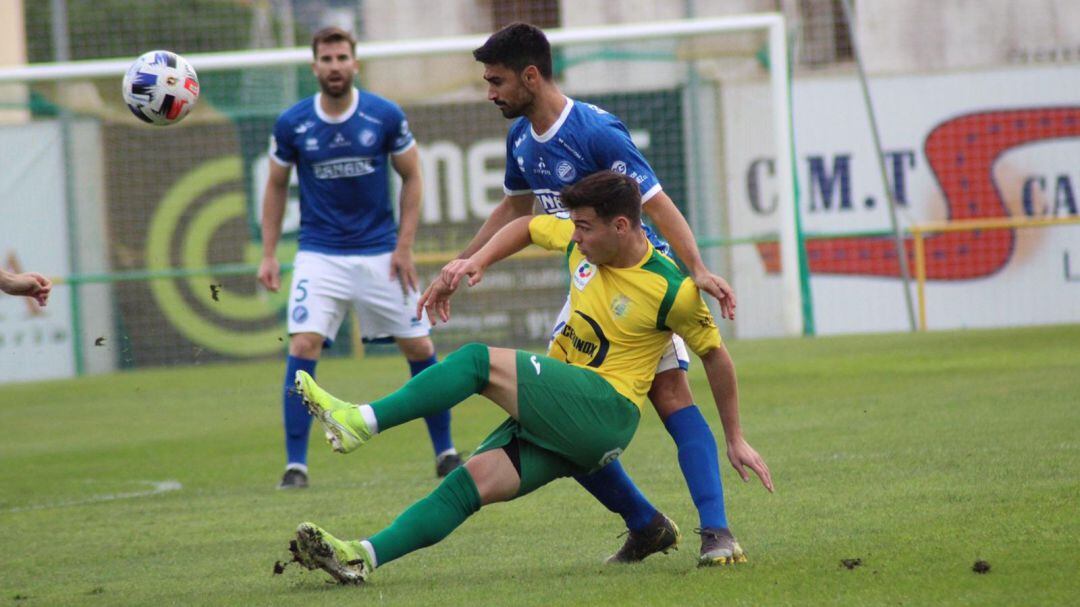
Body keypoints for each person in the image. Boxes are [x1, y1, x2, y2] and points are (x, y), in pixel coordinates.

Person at [287, 171, 771, 585]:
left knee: (477, 361)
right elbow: (525, 225)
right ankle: (361, 558)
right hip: (578, 428)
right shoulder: (580, 240)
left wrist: (736, 437)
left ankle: (361, 421)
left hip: (606, 409)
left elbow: (716, 357)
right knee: (467, 484)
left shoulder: (672, 289)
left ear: (622, 225)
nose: (575, 236)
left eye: (585, 227)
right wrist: (475, 261)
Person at [419, 22, 744, 566]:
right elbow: (515, 211)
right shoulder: (521, 136)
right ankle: (646, 524)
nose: (490, 92)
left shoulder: (596, 131)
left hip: (640, 282)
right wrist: (465, 261)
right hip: (588, 282)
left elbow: (656, 201)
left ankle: (716, 532)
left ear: (531, 75)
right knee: (563, 419)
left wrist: (697, 268)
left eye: (496, 80)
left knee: (670, 397)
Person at [258, 27, 459, 489]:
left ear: (355, 63)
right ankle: (295, 465)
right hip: (319, 255)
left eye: (342, 57)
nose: (334, 65)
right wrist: (269, 253)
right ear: (314, 66)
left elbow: (413, 176)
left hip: (381, 254)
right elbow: (274, 184)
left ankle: (446, 452)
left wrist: (404, 246)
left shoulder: (383, 115)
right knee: (302, 345)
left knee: (421, 347)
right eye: (326, 58)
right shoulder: (293, 123)